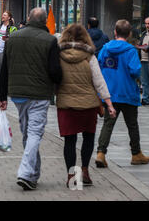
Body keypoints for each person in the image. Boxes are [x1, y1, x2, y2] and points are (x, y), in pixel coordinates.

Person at [0, 8, 62, 191]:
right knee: (34, 133)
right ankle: (25, 173)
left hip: (18, 95)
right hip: (39, 95)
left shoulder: (14, 38)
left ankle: (33, 175)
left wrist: (2, 96)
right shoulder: (50, 40)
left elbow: (5, 69)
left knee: (28, 133)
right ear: (44, 22)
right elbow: (55, 71)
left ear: (28, 19)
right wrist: (58, 85)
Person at [56, 24, 116, 187]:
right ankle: (85, 171)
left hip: (66, 104)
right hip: (88, 104)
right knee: (88, 137)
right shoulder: (89, 56)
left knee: (70, 140)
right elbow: (99, 81)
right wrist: (109, 103)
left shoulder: (58, 55)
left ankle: (71, 176)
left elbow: (53, 76)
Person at [96, 20, 149, 168]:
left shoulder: (105, 48)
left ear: (115, 32)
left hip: (110, 94)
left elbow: (98, 66)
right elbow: (135, 71)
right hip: (127, 93)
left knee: (108, 124)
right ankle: (136, 153)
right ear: (129, 34)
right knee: (132, 124)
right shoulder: (131, 50)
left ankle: (101, 153)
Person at [138, 17, 149, 105]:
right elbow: (140, 45)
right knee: (145, 82)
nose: (147, 25)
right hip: (143, 60)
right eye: (146, 23)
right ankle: (146, 100)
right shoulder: (143, 34)